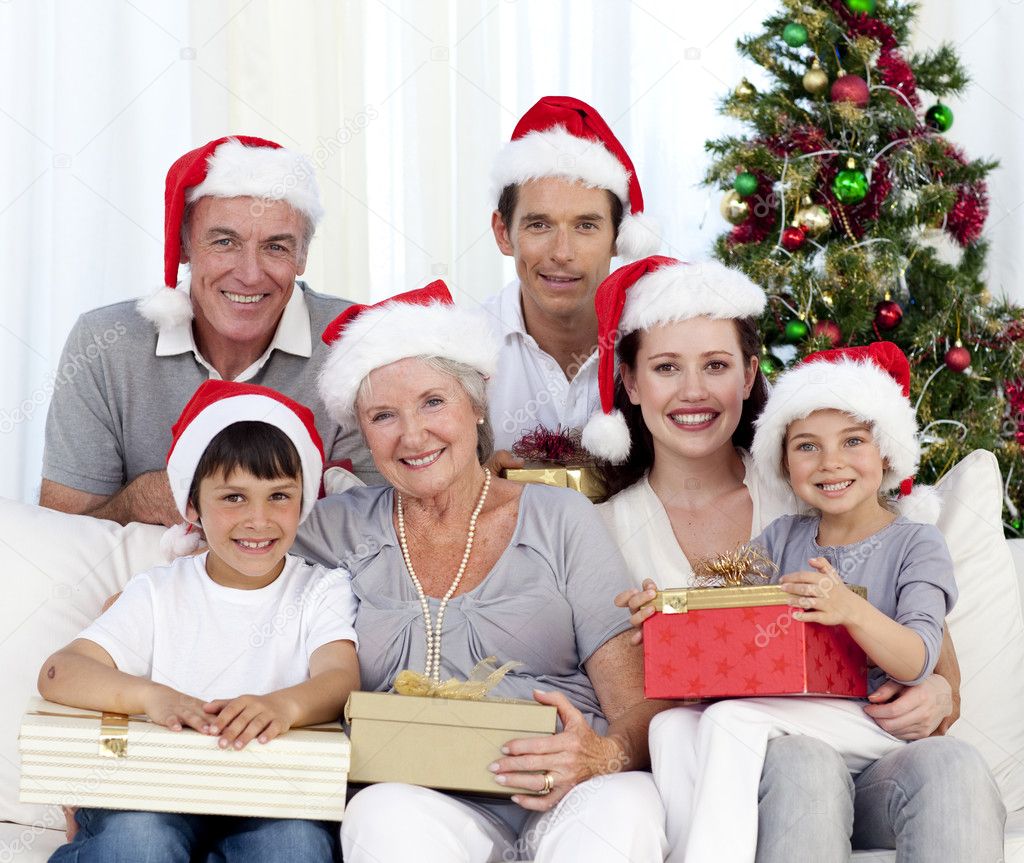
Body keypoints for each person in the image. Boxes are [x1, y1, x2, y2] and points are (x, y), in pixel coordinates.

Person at [588, 256, 1005, 861]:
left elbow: (927, 649)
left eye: (716, 366)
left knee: (946, 764)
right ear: (631, 382)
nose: (694, 390)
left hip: (860, 743)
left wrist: (943, 693)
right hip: (752, 761)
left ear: (749, 373)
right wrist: (668, 614)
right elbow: (714, 608)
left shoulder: (808, 494)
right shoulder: (604, 529)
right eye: (666, 368)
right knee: (732, 741)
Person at [293, 280, 668, 862]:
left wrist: (601, 755)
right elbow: (232, 582)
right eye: (383, 415)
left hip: (568, 793)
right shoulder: (332, 530)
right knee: (378, 814)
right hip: (425, 802)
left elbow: (639, 705)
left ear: (475, 404)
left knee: (624, 808)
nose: (412, 435)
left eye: (433, 402)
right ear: (362, 431)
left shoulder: (560, 518)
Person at [647, 342, 964, 862]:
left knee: (730, 721)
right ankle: (688, 849)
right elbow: (719, 604)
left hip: (871, 721)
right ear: (784, 461)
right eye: (807, 446)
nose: (830, 462)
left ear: (885, 452)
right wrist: (665, 610)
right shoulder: (782, 539)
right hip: (795, 721)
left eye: (853, 440)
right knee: (670, 725)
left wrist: (850, 608)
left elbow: (918, 659)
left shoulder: (916, 544)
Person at [39, 379, 360, 862]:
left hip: (270, 799)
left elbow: (340, 677)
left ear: (303, 504)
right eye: (233, 498)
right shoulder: (159, 591)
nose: (259, 519)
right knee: (140, 842)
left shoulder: (321, 589)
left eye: (279, 496)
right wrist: (152, 696)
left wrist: (284, 706)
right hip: (154, 793)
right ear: (191, 507)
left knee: (293, 845)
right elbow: (59, 673)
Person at [40, 135, 380, 528]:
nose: (250, 274)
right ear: (183, 244)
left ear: (302, 256)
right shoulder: (103, 345)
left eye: (276, 247)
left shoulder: (356, 344)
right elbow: (61, 537)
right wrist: (138, 501)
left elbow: (380, 532)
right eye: (224, 242)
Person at [482, 95, 660, 458]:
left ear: (617, 237)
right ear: (503, 234)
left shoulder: (668, 339)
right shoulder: (463, 352)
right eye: (539, 224)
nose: (562, 253)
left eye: (586, 226)